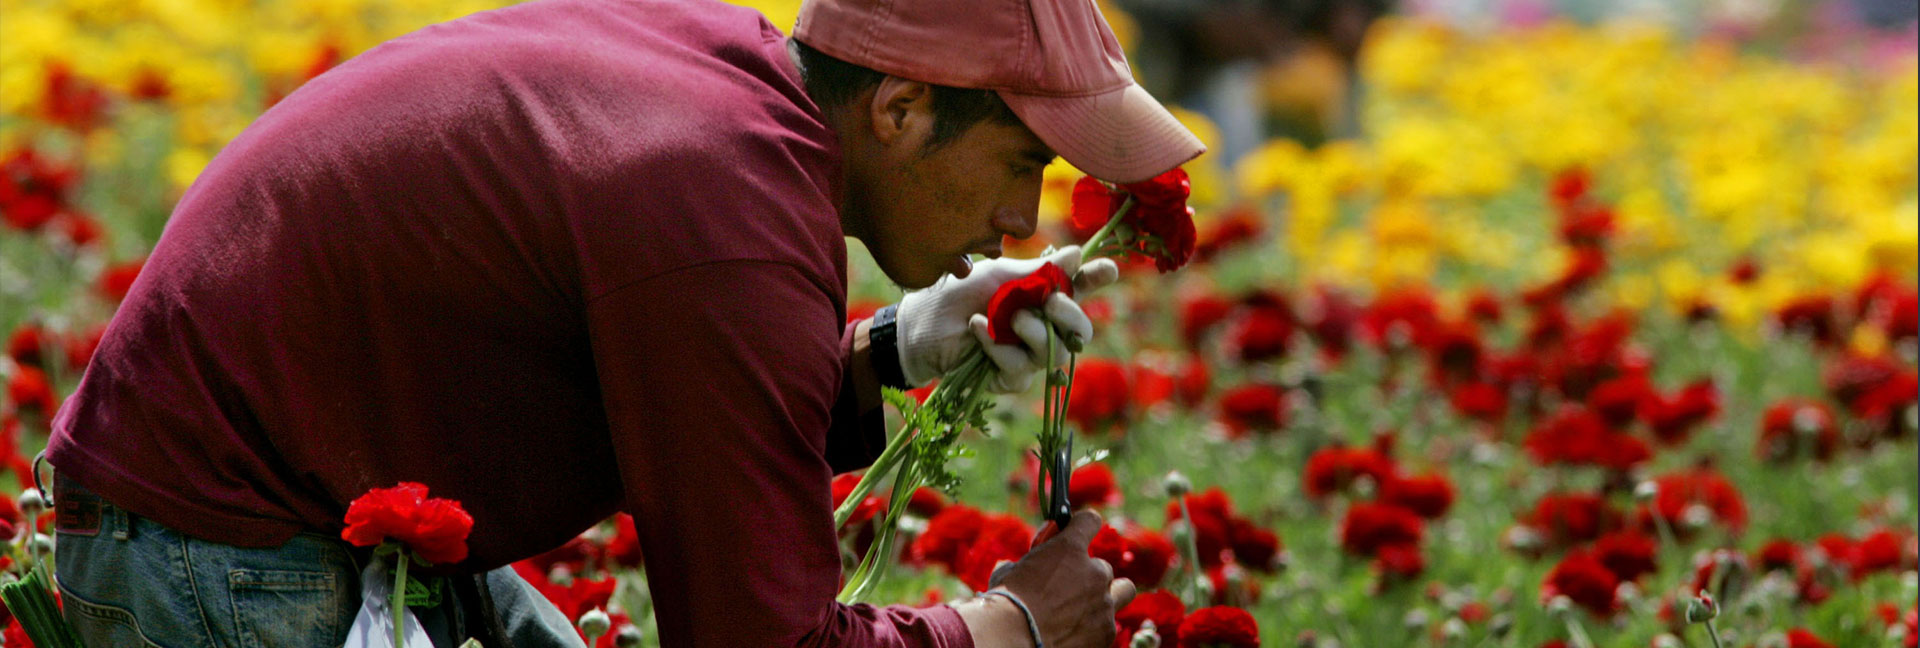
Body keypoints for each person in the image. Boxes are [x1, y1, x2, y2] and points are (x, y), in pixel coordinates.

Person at [46, 0, 1203, 645]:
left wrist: (888, 352)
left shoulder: (732, 86)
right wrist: (1010, 629)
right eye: (1022, 162)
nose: (1021, 220)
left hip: (232, 522)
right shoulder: (732, 212)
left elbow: (635, 355)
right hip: (227, 557)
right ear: (899, 108)